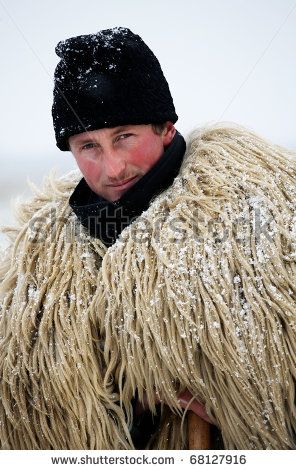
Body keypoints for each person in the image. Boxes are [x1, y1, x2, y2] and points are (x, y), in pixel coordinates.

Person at [0, 26, 296, 450]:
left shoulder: (264, 209)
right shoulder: (38, 260)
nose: (113, 168)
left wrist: (237, 400)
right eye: (89, 146)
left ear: (165, 128)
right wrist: (130, 399)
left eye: (124, 137)